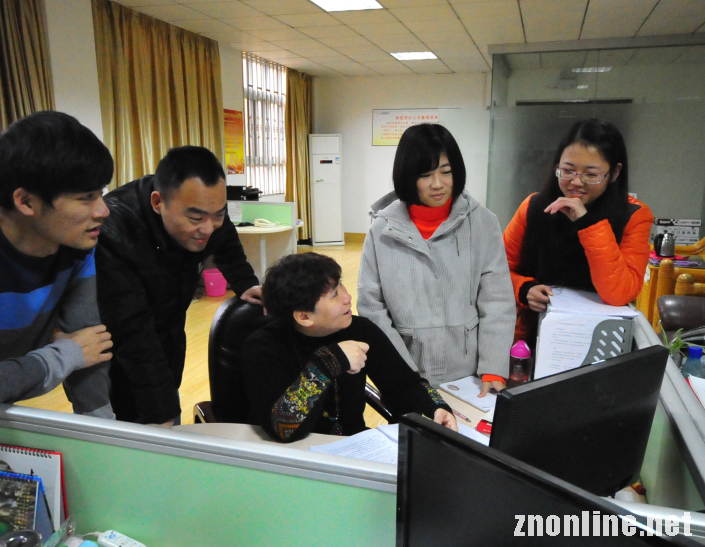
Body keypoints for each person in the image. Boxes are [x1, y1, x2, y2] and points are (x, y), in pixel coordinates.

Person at [0, 111, 115, 423]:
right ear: (26, 202)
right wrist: (63, 356)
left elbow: (89, 343)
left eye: (101, 193)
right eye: (86, 198)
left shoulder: (75, 243)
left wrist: (104, 430)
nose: (103, 210)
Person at [96, 146, 260, 427]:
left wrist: (245, 283)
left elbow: (226, 239)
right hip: (114, 352)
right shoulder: (113, 232)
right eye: (196, 219)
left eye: (218, 215)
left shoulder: (205, 211)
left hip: (168, 329)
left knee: (167, 398)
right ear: (157, 202)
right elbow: (133, 333)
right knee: (130, 420)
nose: (208, 228)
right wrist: (160, 412)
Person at [357, 123, 516, 394]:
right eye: (425, 175)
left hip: (469, 373)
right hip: (408, 371)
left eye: (446, 171)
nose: (438, 184)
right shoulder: (382, 230)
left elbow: (497, 299)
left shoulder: (482, 223)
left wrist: (493, 366)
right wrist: (404, 375)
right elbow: (371, 307)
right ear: (408, 176)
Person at [244, 252, 457, 443]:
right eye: (334, 295)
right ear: (304, 317)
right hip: (294, 457)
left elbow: (403, 384)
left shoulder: (360, 330)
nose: (347, 297)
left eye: (341, 286)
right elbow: (283, 429)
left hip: (354, 447)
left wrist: (435, 408)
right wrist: (328, 363)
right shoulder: (263, 347)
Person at [503, 118, 653, 345]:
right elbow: (497, 270)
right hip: (533, 336)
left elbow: (619, 293)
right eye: (567, 171)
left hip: (601, 340)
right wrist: (524, 289)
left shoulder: (634, 216)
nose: (576, 182)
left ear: (614, 173)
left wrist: (588, 224)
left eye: (591, 174)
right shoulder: (533, 206)